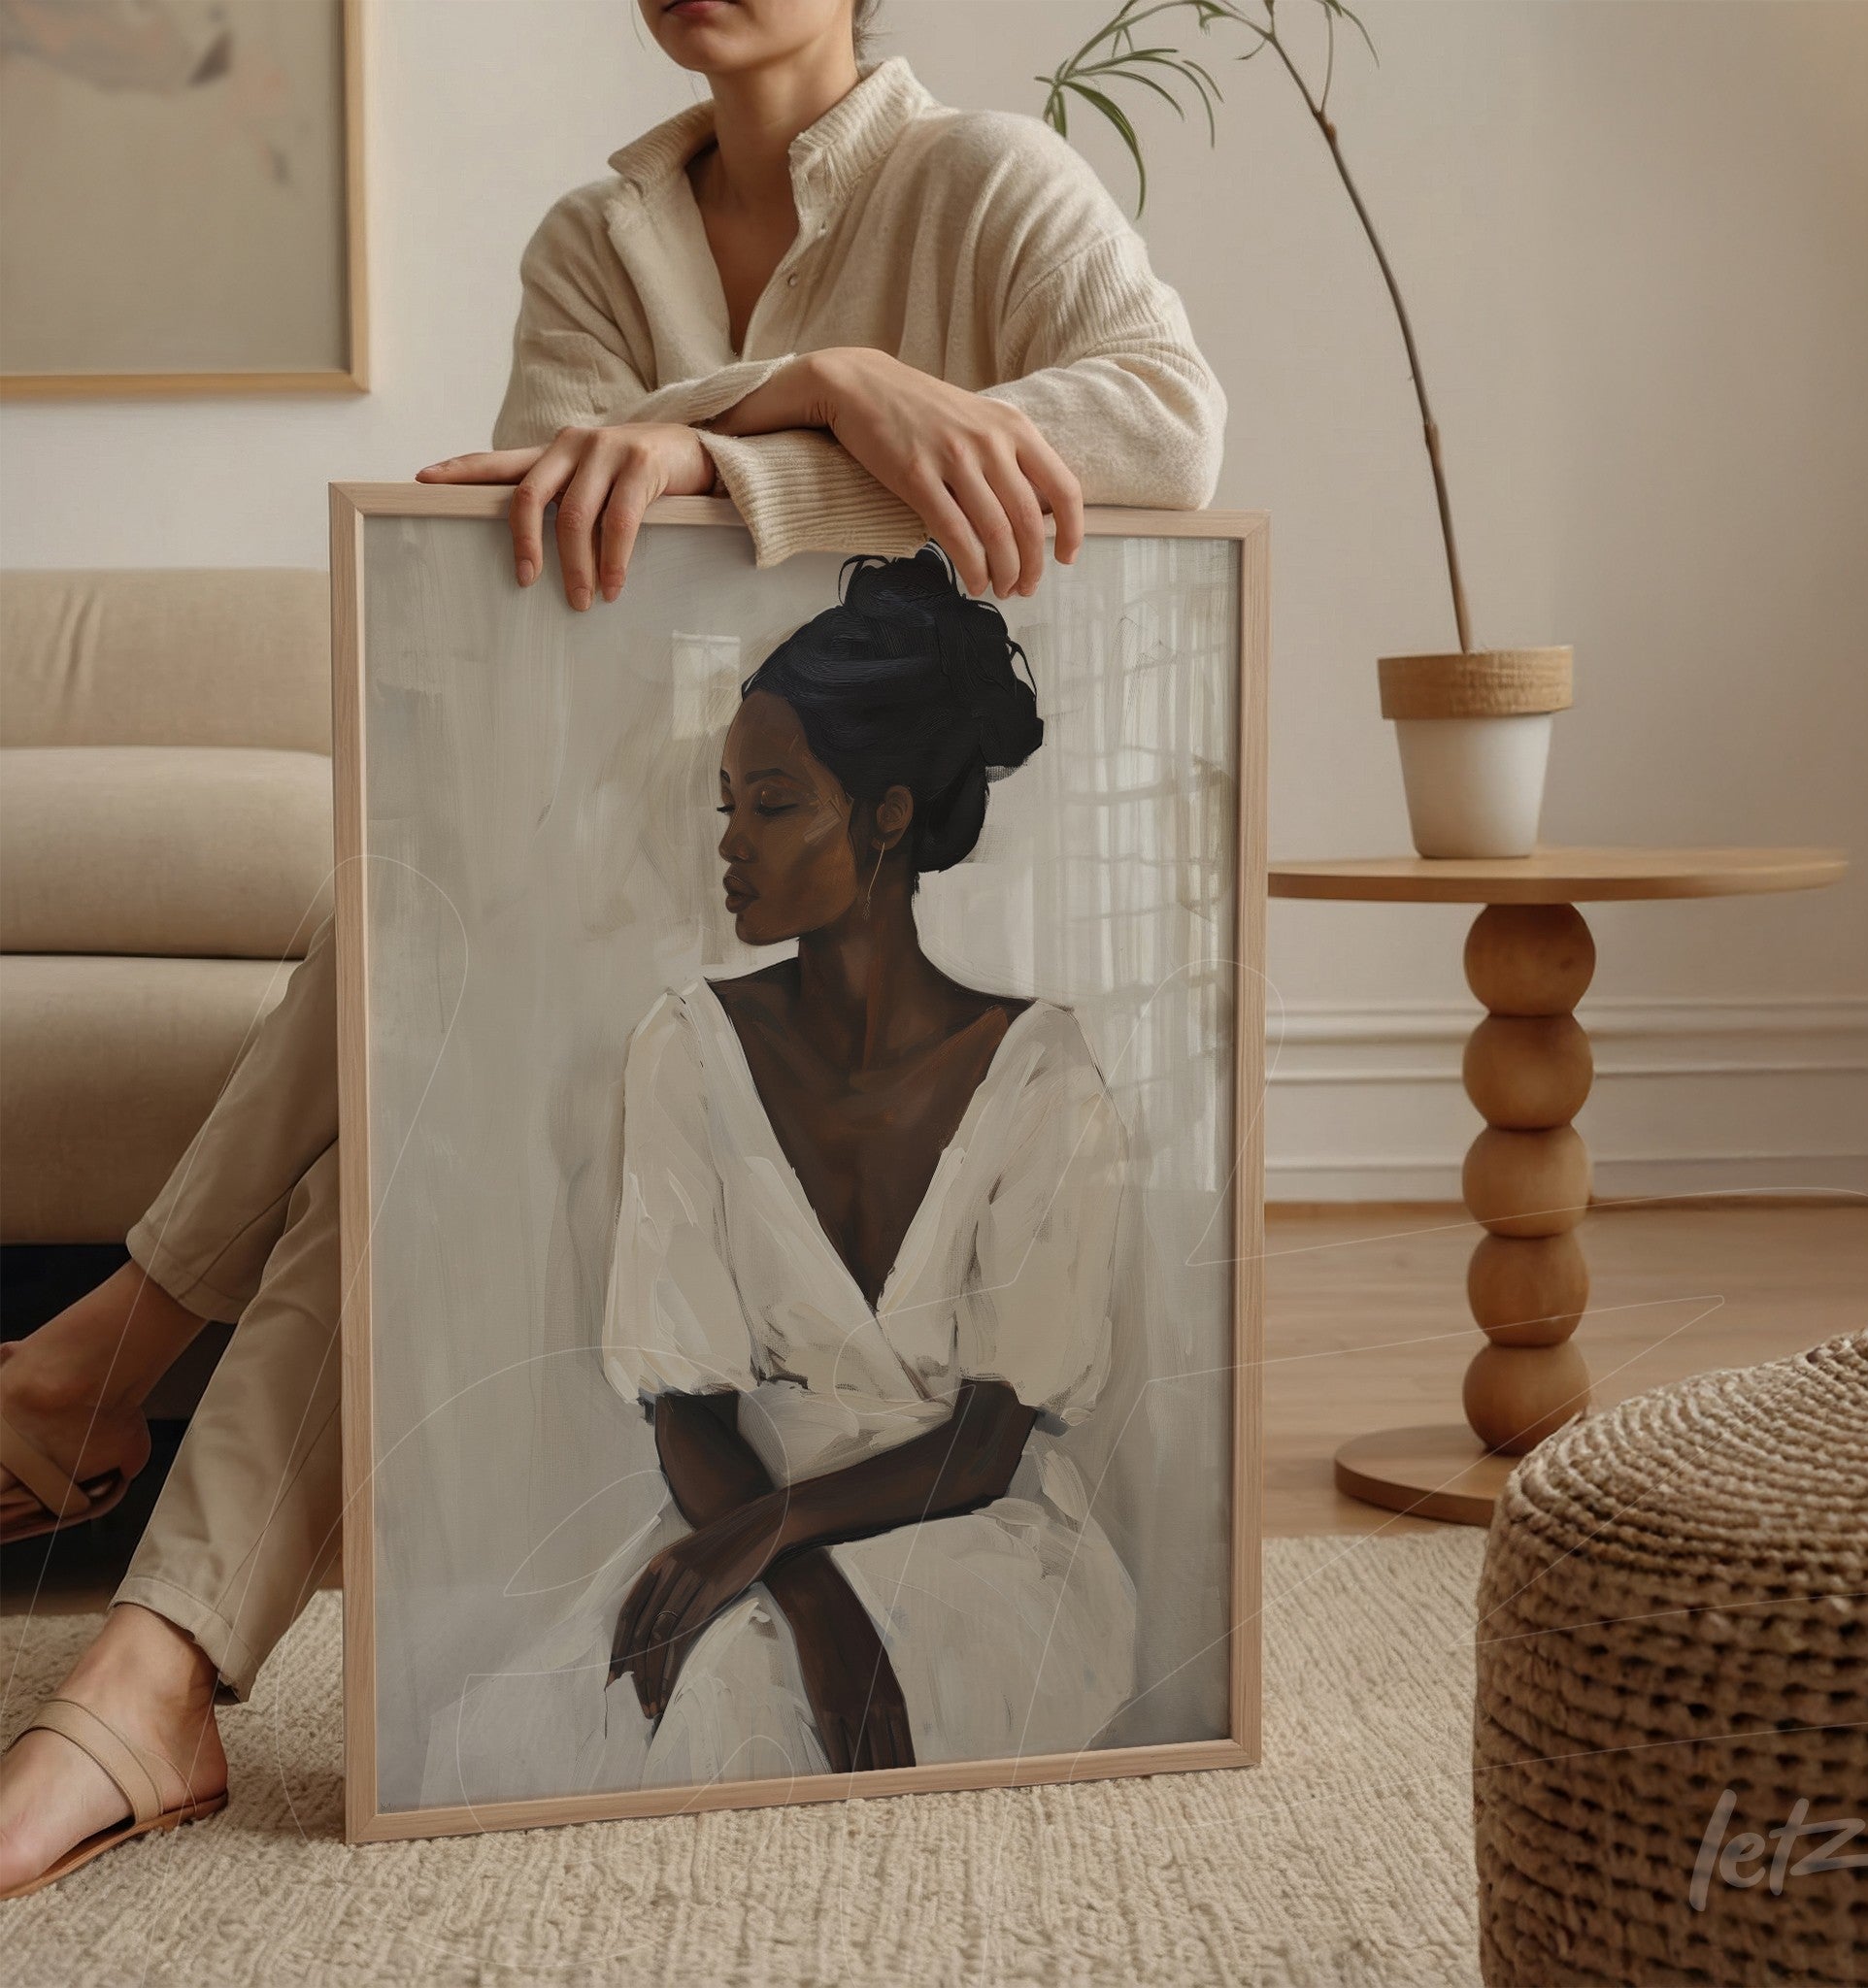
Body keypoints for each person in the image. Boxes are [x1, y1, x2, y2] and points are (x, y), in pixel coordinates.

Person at [0, 0, 1222, 1895]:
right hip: (613, 860)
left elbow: (1163, 431)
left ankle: (118, 1423)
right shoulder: (596, 239)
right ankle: (150, 1652)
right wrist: (830, 388)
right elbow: (538, 556)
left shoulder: (985, 182)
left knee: (426, 971)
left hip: (839, 881)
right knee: (438, 940)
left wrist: (746, 437)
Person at [422, 547, 1134, 1803]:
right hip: (741, 1513)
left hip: (978, 1539)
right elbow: (686, 1403)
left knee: (741, 1690)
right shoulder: (687, 1048)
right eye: (726, 807)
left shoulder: (1039, 1071)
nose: (732, 845)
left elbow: (986, 1444)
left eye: (774, 803)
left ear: (887, 814)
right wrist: (795, 1580)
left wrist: (777, 1552)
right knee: (526, 1741)